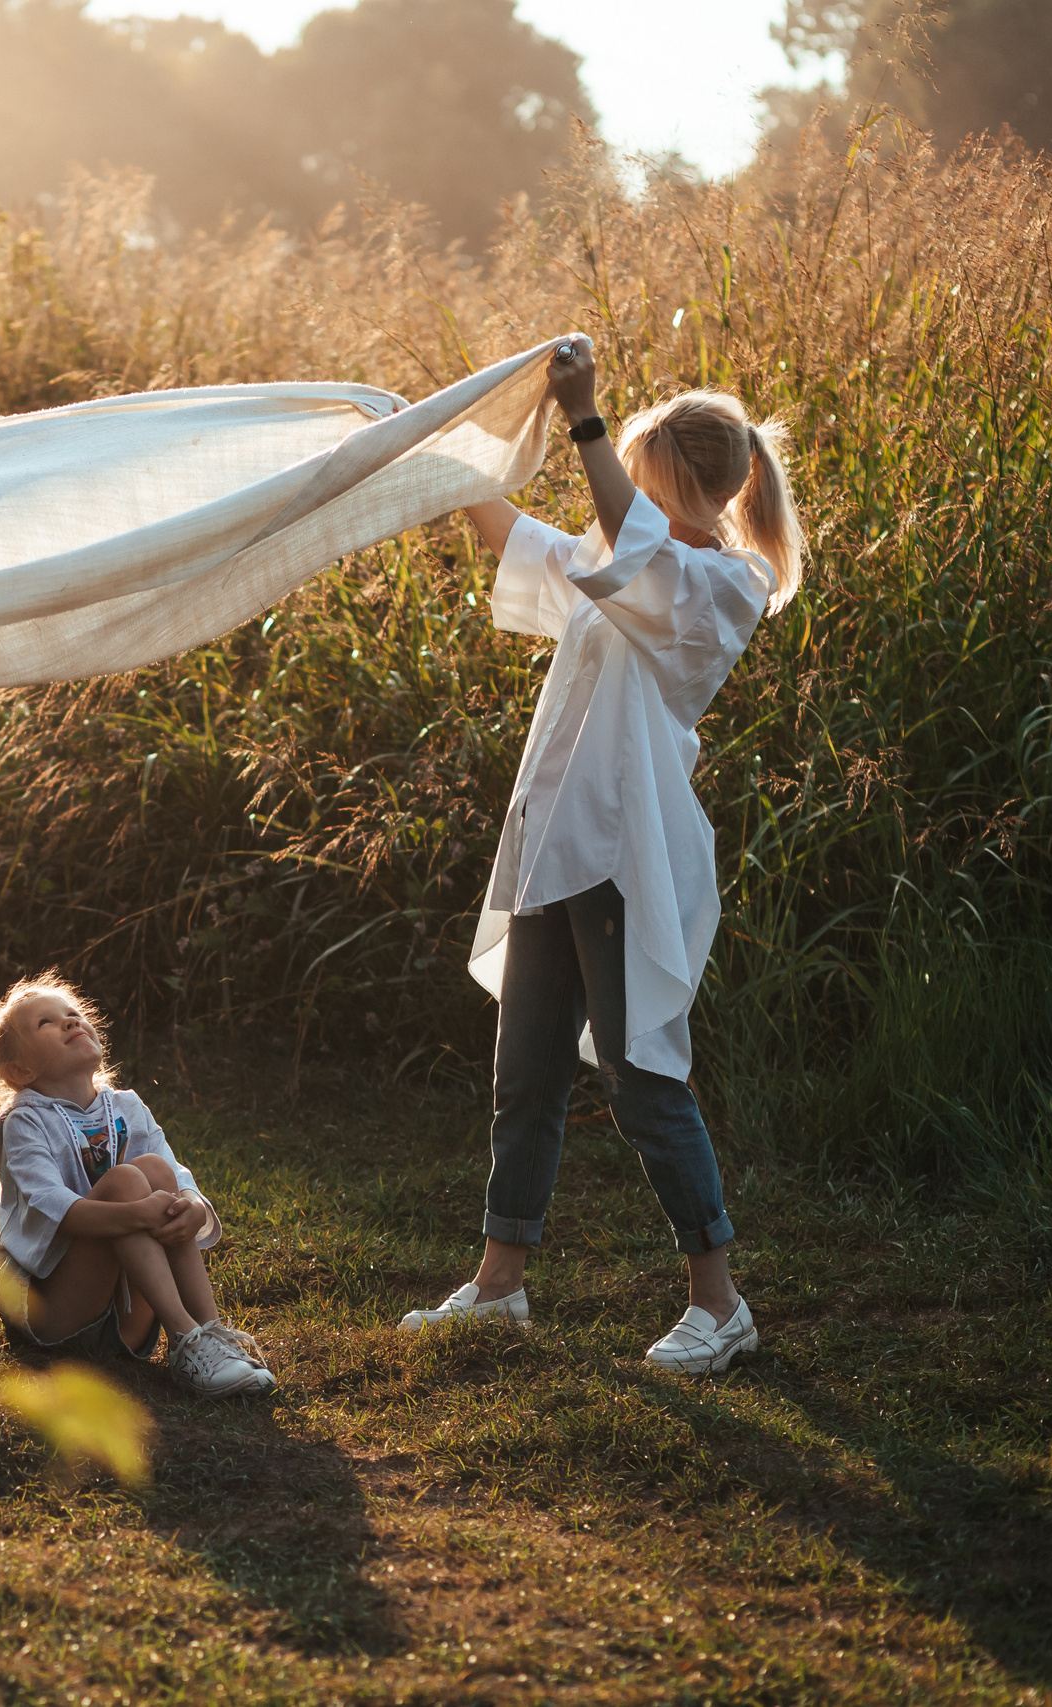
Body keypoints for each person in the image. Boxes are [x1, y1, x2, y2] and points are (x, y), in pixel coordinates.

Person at [398, 335, 806, 1374]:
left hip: (624, 856)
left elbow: (633, 550)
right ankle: (499, 1285)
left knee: (640, 1080)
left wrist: (583, 420)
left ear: (689, 487)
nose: (627, 490)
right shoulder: (623, 555)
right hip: (554, 845)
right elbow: (515, 541)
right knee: (523, 1072)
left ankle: (719, 1304)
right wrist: (451, 464)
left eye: (641, 471)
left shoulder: (719, 583)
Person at [0, 976, 273, 1398]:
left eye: (73, 1014)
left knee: (157, 1174)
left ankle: (210, 1337)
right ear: (20, 1070)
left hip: (129, 1324)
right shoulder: (25, 1121)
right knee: (128, 1179)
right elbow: (52, 1206)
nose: (70, 1022)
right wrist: (135, 1213)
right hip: (56, 1317)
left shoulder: (126, 1105)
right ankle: (185, 1336)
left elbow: (173, 1171)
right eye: (46, 1023)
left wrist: (192, 1205)